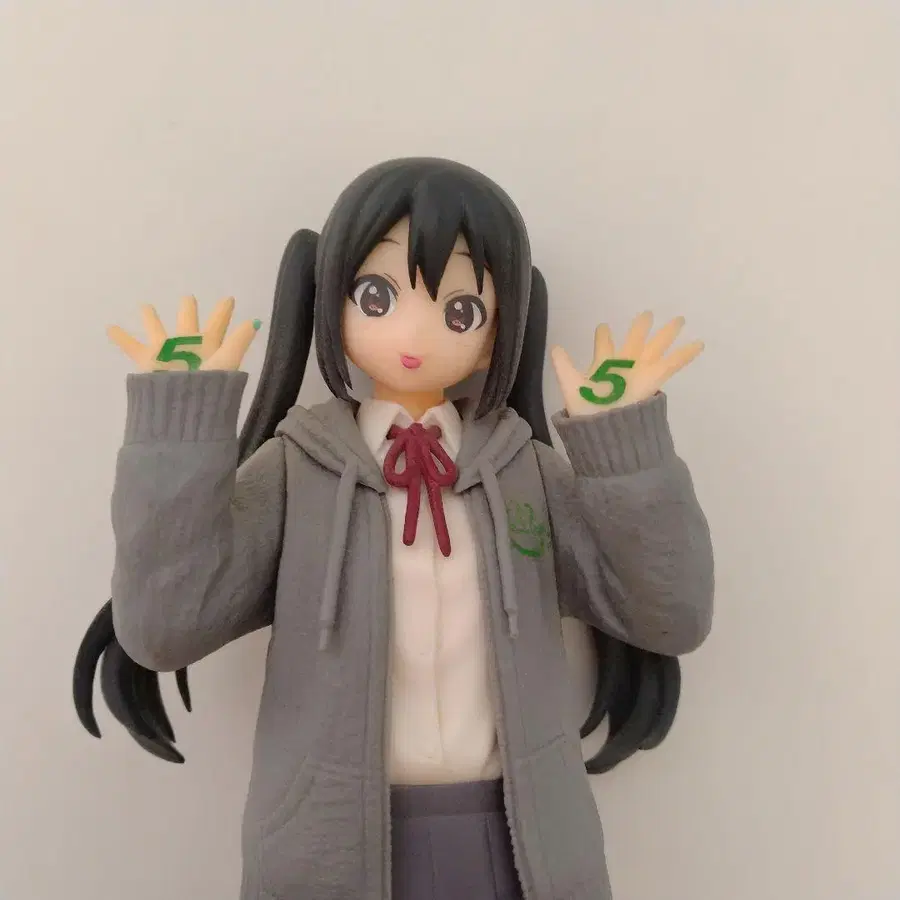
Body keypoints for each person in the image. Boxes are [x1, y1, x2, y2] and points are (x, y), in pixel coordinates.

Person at [75, 157, 714, 900]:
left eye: (460, 310)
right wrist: (179, 431)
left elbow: (667, 614)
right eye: (377, 296)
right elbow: (164, 626)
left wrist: (624, 448)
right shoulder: (299, 471)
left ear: (499, 330)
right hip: (331, 848)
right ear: (331, 301)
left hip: (522, 845)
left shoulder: (526, 473)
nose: (415, 332)